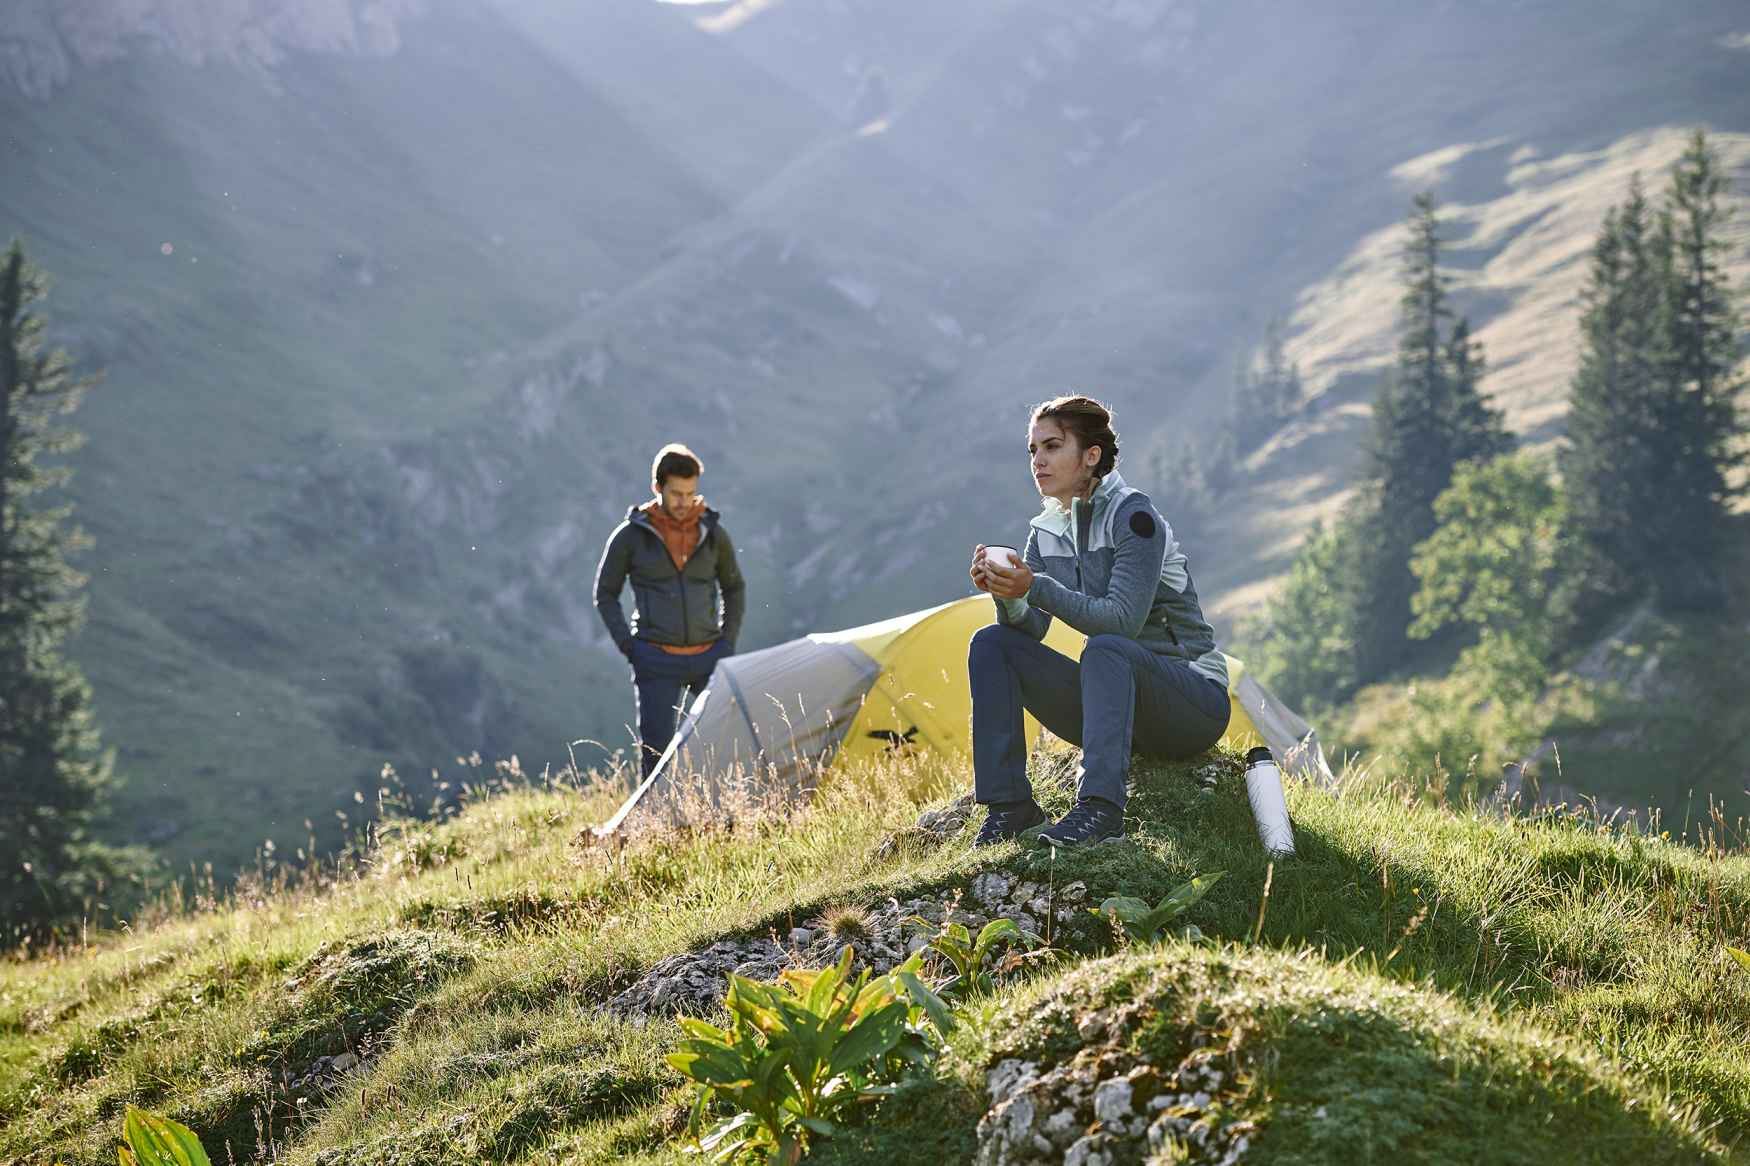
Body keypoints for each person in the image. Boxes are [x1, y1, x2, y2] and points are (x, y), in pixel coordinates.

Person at [967, 396, 1231, 848]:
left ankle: (1100, 809)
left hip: (1191, 703)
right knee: (992, 643)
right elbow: (1031, 628)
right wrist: (1006, 595)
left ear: (1091, 456)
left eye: (1052, 446)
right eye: (1033, 450)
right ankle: (1010, 806)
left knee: (1106, 647)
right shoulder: (1046, 529)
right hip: (1116, 706)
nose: (1039, 460)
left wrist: (1033, 586)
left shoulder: (1134, 517)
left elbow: (1122, 622)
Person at [595, 443, 746, 777]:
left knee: (730, 743)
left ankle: (727, 817)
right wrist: (631, 648)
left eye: (691, 493)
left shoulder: (713, 533)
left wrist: (727, 643)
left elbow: (734, 587)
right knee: (656, 757)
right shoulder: (630, 537)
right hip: (655, 659)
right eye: (676, 493)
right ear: (657, 487)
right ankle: (654, 824)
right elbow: (605, 593)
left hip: (710, 657)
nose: (684, 502)